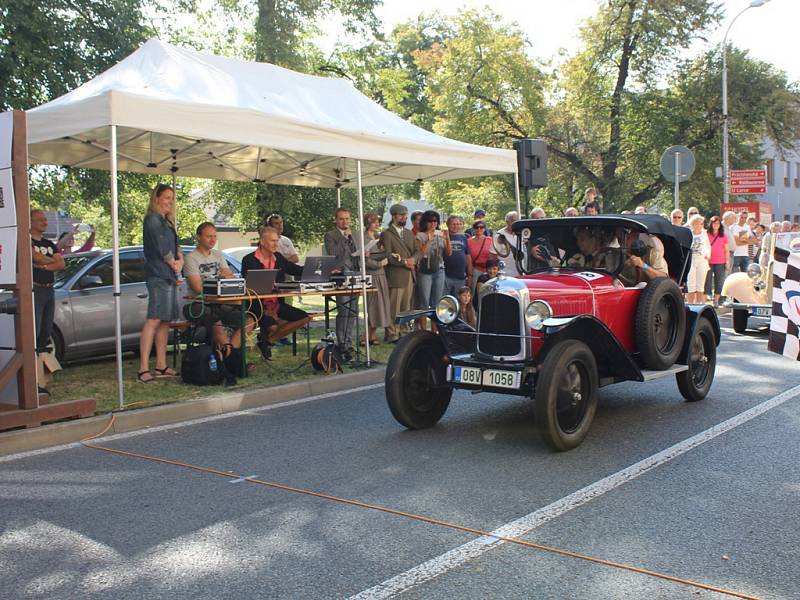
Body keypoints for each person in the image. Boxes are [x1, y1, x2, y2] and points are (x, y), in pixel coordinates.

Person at [242, 227, 310, 360]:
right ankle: (267, 339)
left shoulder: (278, 258)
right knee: (273, 326)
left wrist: (318, 269)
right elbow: (249, 284)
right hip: (257, 305)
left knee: (305, 318)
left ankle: (267, 342)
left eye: (277, 241)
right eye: (272, 241)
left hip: (277, 304)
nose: (276, 244)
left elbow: (295, 269)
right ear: (262, 241)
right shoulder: (249, 260)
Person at [183, 222, 248, 361]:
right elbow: (197, 288)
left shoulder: (219, 255)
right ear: (199, 237)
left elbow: (229, 279)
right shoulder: (190, 258)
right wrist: (220, 277)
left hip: (220, 302)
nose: (213, 240)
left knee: (247, 319)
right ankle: (232, 359)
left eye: (214, 236)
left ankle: (230, 354)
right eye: (208, 236)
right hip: (198, 304)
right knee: (215, 320)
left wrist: (224, 277)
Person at [138, 184, 183, 384]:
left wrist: (180, 261)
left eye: (172, 198)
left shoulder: (167, 221)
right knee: (154, 319)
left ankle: (161, 365)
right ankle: (143, 368)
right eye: (166, 197)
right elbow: (162, 247)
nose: (169, 202)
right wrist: (173, 262)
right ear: (156, 198)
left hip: (170, 275)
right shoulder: (152, 220)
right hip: (158, 275)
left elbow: (176, 246)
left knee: (166, 321)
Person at [30, 210, 65, 393]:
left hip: (49, 289)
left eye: (45, 219)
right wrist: (48, 261)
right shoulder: (28, 242)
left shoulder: (49, 244)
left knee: (45, 331)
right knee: (34, 333)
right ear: (31, 222)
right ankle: (33, 382)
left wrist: (44, 264)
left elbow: (61, 264)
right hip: (35, 289)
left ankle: (42, 380)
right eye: (40, 219)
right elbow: (35, 256)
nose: (44, 222)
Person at [324, 207, 360, 359]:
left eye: (347, 219)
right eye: (341, 219)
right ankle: (341, 343)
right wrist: (344, 238)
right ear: (336, 220)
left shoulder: (354, 235)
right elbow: (334, 253)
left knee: (353, 310)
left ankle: (349, 341)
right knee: (344, 310)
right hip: (339, 276)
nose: (345, 221)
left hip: (354, 274)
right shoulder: (331, 235)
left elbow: (355, 253)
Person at [381, 204, 417, 343]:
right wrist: (404, 262)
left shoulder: (408, 233)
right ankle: (392, 334)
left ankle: (404, 331)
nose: (404, 217)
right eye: (401, 215)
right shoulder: (387, 234)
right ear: (394, 216)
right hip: (395, 274)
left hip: (409, 275)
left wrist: (414, 259)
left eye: (405, 215)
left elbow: (417, 251)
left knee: (406, 306)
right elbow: (388, 255)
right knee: (393, 307)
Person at [357, 211, 391, 346]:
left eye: (378, 222)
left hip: (381, 275)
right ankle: (365, 335)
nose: (377, 224)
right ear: (368, 223)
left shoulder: (378, 236)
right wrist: (378, 264)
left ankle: (372, 334)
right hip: (371, 275)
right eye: (374, 222)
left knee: (381, 306)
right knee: (372, 306)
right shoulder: (363, 237)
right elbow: (363, 259)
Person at [415, 210, 451, 330]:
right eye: (430, 221)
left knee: (437, 302)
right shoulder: (420, 235)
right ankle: (424, 331)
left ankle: (435, 330)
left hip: (439, 269)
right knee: (424, 302)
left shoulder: (440, 234)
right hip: (425, 270)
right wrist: (429, 240)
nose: (433, 224)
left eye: (435, 221)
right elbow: (421, 253)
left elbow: (449, 253)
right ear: (425, 222)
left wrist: (447, 238)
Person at [443, 215, 471, 298]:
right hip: (445, 275)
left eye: (458, 224)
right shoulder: (442, 237)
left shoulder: (463, 237)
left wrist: (470, 274)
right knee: (445, 301)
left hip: (460, 276)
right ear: (448, 225)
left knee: (459, 301)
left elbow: (468, 256)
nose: (456, 226)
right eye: (453, 224)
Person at [686, 214, 711, 304]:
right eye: (700, 223)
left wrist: (708, 255)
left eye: (702, 223)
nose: (702, 225)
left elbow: (708, 246)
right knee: (691, 283)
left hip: (702, 260)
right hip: (691, 260)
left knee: (700, 284)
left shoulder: (705, 233)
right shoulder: (688, 233)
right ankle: (690, 304)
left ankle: (698, 304)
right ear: (694, 224)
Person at [705, 216, 728, 307]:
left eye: (717, 223)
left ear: (720, 225)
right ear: (711, 224)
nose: (716, 225)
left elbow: (726, 250)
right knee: (708, 280)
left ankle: (716, 301)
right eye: (714, 223)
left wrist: (727, 261)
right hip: (708, 261)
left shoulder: (723, 235)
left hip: (720, 261)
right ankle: (708, 297)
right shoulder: (706, 234)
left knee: (719, 281)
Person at [491, 211, 523, 277]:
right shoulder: (499, 236)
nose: (515, 223)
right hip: (506, 275)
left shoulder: (522, 234)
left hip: (522, 274)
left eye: (518, 221)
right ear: (507, 222)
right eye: (513, 221)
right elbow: (492, 256)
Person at [467, 220, 492, 297]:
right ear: (473, 229)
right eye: (476, 227)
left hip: (488, 270)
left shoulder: (490, 240)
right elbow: (468, 259)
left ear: (484, 229)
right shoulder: (469, 241)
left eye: (481, 227)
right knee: (474, 292)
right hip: (476, 270)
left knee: (489, 291)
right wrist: (470, 275)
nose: (479, 229)